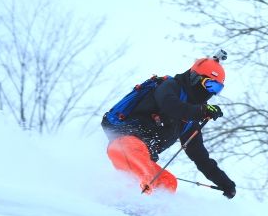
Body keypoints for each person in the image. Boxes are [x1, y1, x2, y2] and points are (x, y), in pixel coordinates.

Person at [101, 51, 236, 199]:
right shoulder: (170, 86)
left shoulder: (190, 120)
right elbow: (170, 106)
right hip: (125, 143)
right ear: (195, 78)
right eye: (209, 85)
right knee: (145, 175)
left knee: (168, 183)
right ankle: (116, 203)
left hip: (145, 156)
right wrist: (201, 111)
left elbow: (200, 156)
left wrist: (225, 183)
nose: (210, 92)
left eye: (217, 89)